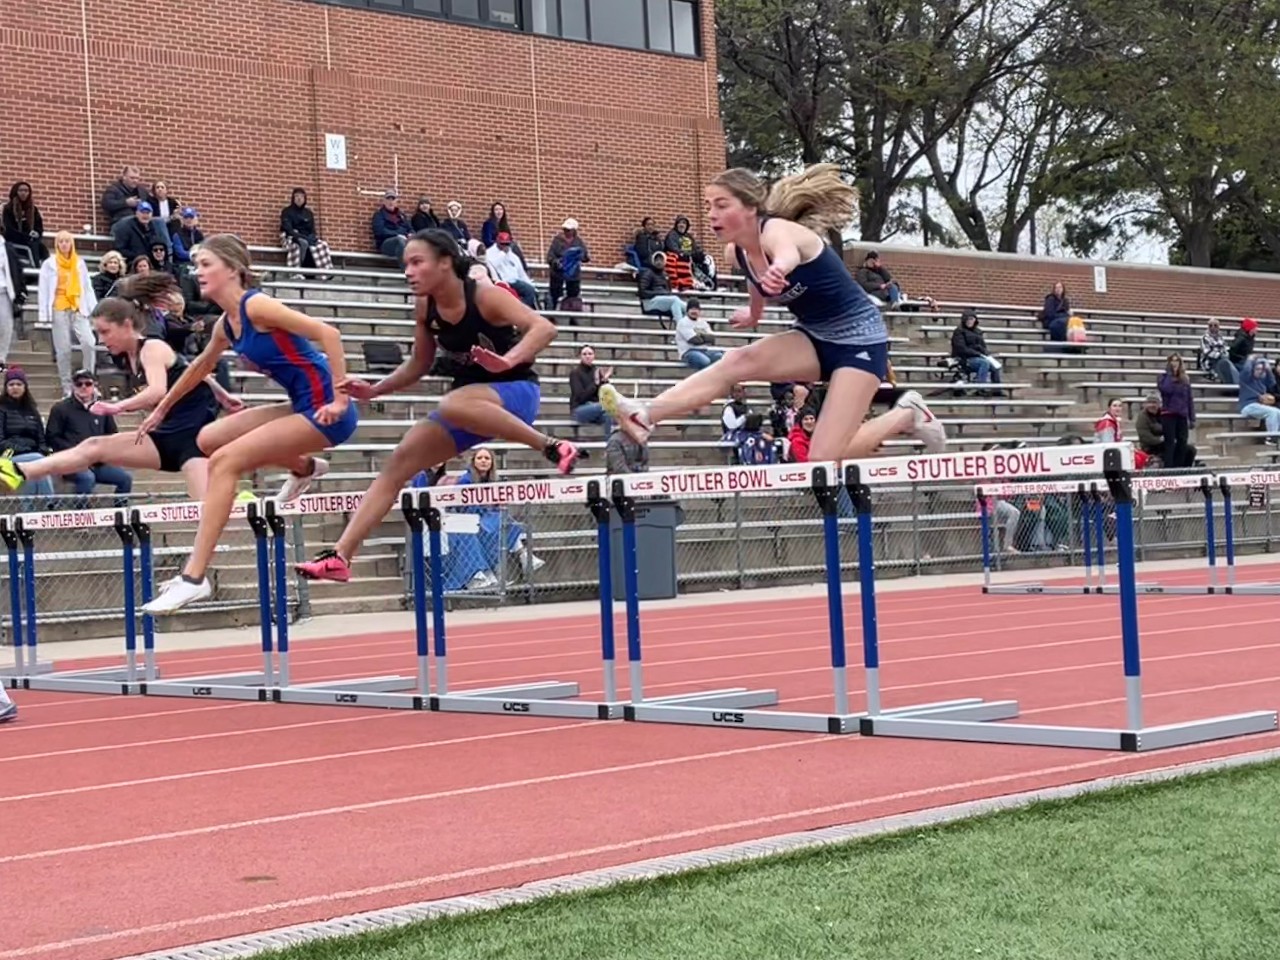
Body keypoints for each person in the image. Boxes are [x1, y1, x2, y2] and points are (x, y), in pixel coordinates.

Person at [295, 229, 582, 584]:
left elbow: (543, 328)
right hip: (466, 405)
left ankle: (550, 446)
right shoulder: (425, 307)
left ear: (445, 263)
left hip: (515, 392)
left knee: (451, 402)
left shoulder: (485, 297)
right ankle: (340, 556)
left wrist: (507, 361)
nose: (408, 271)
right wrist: (375, 390)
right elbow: (419, 362)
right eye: (405, 265)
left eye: (417, 262)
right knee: (398, 463)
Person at [600, 164, 945, 457]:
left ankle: (907, 414)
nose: (711, 214)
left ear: (750, 208)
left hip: (861, 342)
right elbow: (755, 281)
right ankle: (646, 414)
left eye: (722, 205)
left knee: (821, 458)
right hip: (814, 337)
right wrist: (754, 314)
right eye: (708, 206)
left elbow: (787, 253)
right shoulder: (734, 253)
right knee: (736, 361)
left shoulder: (778, 231)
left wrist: (780, 267)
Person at [135, 235, 357, 614]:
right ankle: (305, 467)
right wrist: (162, 408)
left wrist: (341, 398)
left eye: (206, 264)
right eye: (196, 265)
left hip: (324, 411)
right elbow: (201, 366)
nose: (197, 271)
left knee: (224, 462)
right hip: (300, 405)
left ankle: (193, 578)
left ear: (233, 269)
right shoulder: (227, 324)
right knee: (207, 438)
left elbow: (329, 334)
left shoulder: (258, 306)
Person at [0, 273, 241, 500]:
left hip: (192, 436)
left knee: (212, 510)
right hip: (167, 436)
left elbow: (157, 391)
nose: (101, 340)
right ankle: (19, 470)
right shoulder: (125, 357)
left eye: (105, 332)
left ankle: (239, 501)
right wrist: (223, 395)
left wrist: (116, 408)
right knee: (94, 446)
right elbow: (191, 370)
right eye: (98, 333)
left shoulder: (152, 348)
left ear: (127, 325)